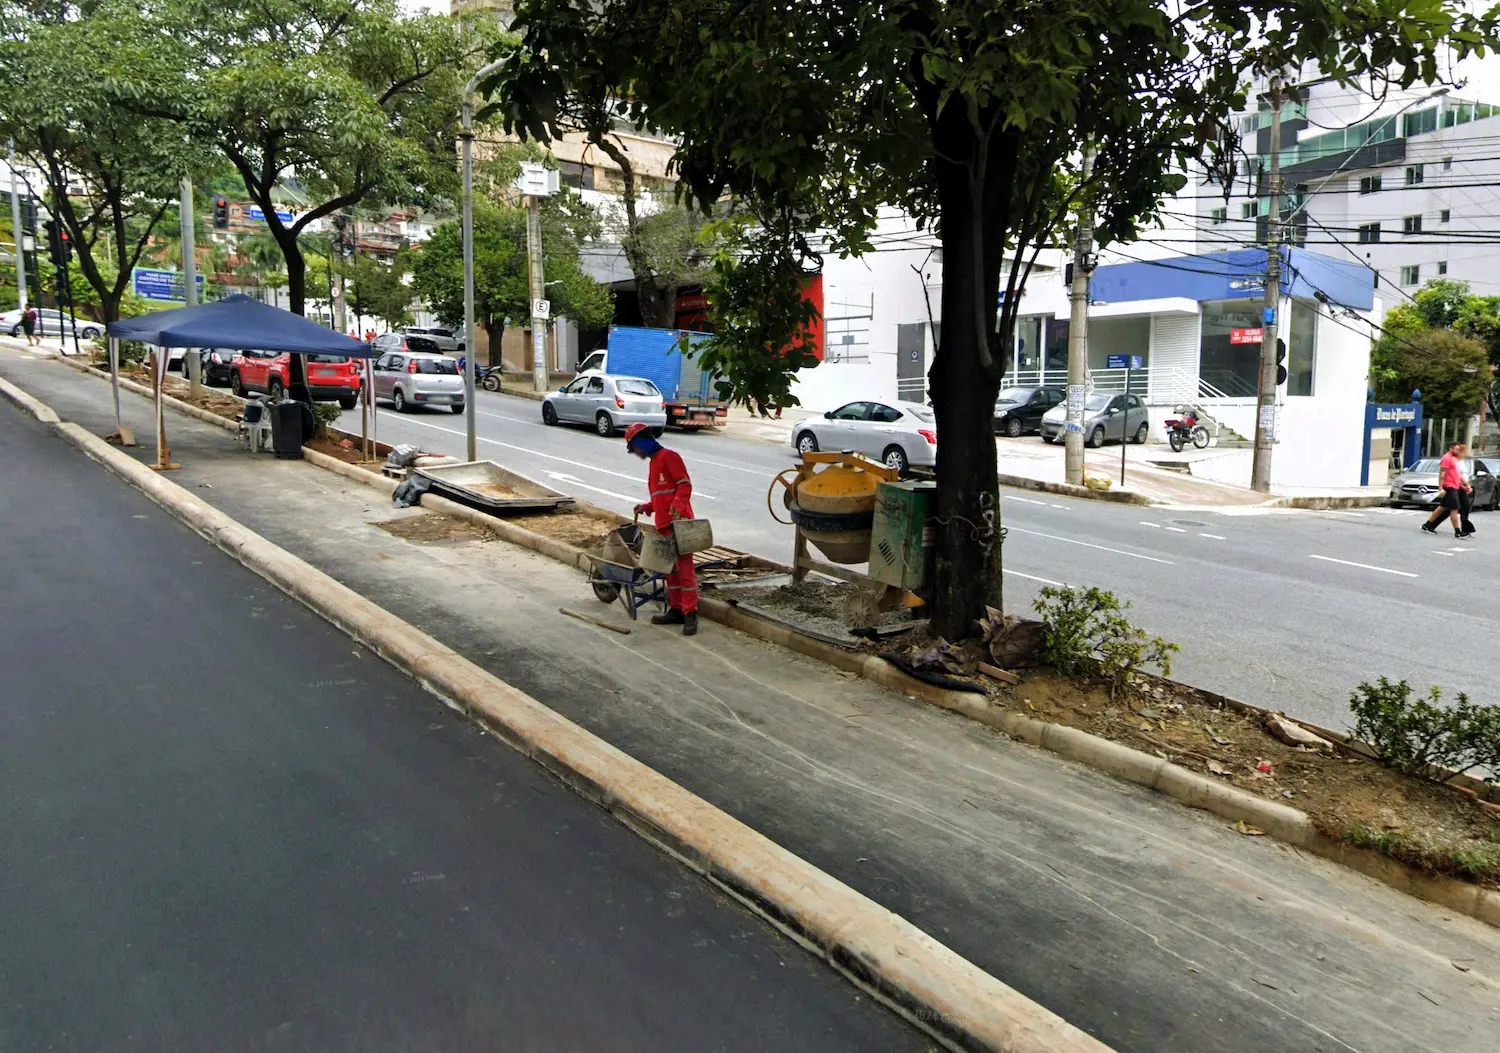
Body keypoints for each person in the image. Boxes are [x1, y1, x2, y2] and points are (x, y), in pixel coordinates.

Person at [625, 422, 698, 635]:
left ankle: (690, 613)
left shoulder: (669, 457)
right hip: (665, 526)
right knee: (671, 571)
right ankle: (676, 609)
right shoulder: (654, 463)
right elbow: (660, 497)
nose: (635, 453)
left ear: (641, 442)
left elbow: (684, 485)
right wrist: (647, 507)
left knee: (684, 570)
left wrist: (678, 505)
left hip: (680, 524)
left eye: (634, 448)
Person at [1422, 441, 1472, 539]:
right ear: (1451, 449)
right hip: (1449, 487)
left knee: (1443, 507)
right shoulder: (1446, 458)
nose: (1458, 451)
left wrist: (1465, 485)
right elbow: (1442, 475)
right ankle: (1458, 532)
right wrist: (1440, 488)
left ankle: (1428, 525)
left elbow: (1457, 475)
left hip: (1455, 486)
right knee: (1454, 509)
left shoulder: (1453, 459)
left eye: (1459, 449)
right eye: (1456, 449)